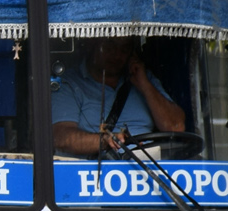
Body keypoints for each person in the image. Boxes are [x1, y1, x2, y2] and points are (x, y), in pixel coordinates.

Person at [51, 35, 186, 158]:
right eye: (109, 46)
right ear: (91, 43)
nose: (116, 55)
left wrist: (144, 85)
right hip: (94, 174)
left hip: (148, 170)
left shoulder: (144, 79)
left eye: (124, 49)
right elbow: (61, 137)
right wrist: (104, 141)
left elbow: (176, 127)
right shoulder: (69, 83)